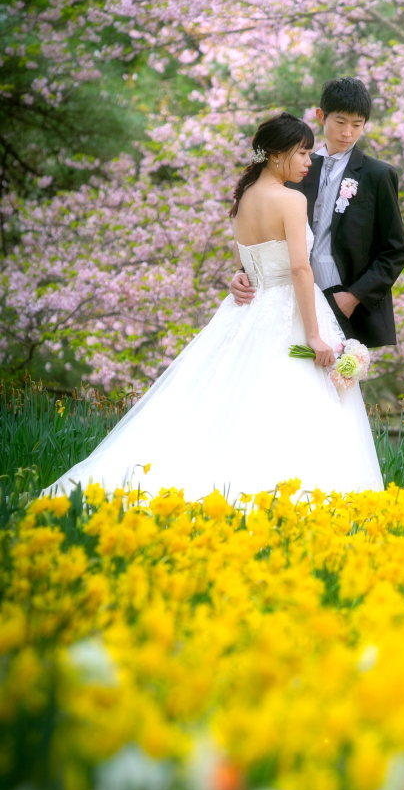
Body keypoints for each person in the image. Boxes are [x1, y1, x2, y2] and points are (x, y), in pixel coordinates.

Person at [49, 113, 384, 501]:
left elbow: (251, 262)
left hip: (247, 309)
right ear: (278, 155)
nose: (310, 162)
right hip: (287, 313)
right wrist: (314, 335)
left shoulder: (244, 198)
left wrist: (239, 275)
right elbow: (297, 267)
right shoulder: (291, 199)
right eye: (303, 153)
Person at [230, 77, 404, 348]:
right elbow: (268, 231)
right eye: (340, 122)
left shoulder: (378, 175)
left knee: (337, 385)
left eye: (357, 125)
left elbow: (395, 250)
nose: (347, 132)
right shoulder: (295, 166)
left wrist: (353, 297)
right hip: (289, 300)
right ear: (321, 116)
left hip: (343, 300)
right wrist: (243, 271)